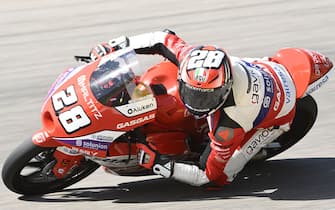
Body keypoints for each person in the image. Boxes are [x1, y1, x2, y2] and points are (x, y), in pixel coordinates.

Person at [88, 29, 330, 187]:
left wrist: (160, 163)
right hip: (258, 70)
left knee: (224, 174)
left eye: (205, 98)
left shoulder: (230, 123)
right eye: (192, 92)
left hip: (274, 114)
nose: (196, 102)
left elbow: (208, 176)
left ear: (223, 90)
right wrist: (114, 46)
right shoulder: (194, 58)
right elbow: (162, 38)